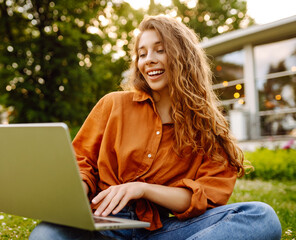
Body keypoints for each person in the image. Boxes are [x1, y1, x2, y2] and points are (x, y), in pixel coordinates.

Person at [29, 15, 282, 240]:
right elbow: (81, 161)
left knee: (261, 216)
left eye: (159, 50)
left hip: (157, 232)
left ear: (183, 56)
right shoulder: (113, 104)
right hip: (101, 225)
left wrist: (142, 189)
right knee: (45, 234)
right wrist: (75, 191)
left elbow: (202, 198)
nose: (149, 60)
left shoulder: (207, 129)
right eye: (142, 53)